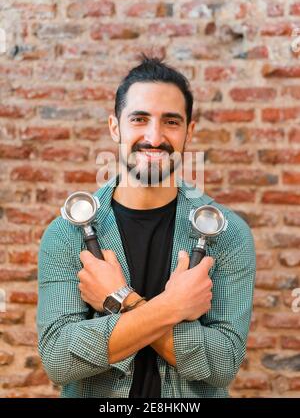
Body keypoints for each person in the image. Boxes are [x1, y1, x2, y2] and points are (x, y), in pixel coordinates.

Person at [37, 56, 256, 398]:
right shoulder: (66, 233)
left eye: (170, 121)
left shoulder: (229, 234)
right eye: (139, 119)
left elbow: (223, 365)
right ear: (115, 127)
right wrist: (174, 306)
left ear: (189, 132)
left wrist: (121, 299)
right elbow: (59, 360)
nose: (154, 138)